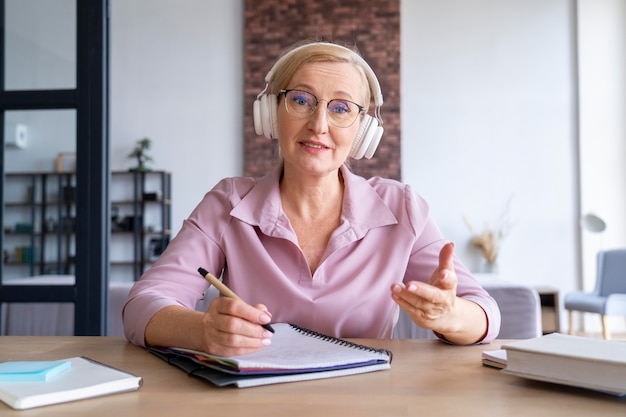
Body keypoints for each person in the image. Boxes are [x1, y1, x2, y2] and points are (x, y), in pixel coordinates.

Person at [122, 41, 501, 356]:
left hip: (366, 401)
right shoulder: (228, 204)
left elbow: (486, 315)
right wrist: (203, 329)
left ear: (362, 130)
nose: (318, 125)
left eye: (340, 108)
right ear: (272, 114)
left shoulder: (401, 208)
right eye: (301, 100)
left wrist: (449, 315)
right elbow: (143, 304)